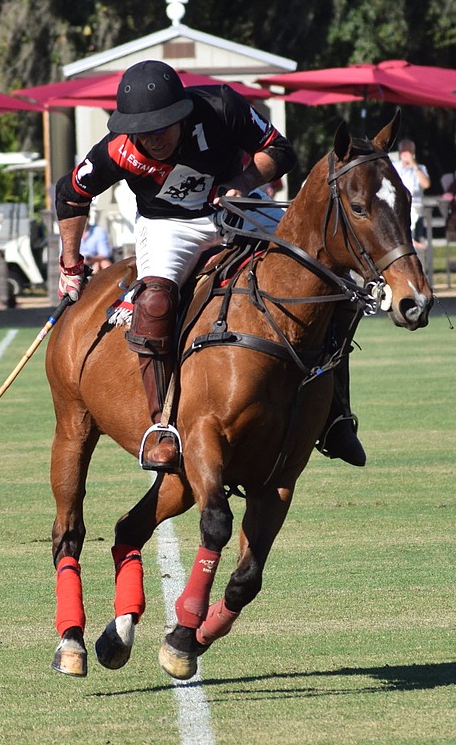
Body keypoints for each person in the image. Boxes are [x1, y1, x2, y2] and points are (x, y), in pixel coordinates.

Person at [55, 60, 315, 471]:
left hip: (237, 206)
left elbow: (279, 150)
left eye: (162, 127)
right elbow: (70, 193)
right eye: (144, 131)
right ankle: (162, 428)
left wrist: (243, 184)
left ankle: (335, 412)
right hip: (168, 226)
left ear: (182, 114)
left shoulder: (220, 106)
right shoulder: (117, 148)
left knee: (315, 270)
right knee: (154, 302)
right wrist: (70, 263)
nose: (153, 139)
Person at [395, 139, 431, 246]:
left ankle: (413, 240)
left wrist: (414, 165)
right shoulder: (393, 167)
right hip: (398, 204)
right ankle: (410, 241)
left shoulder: (420, 168)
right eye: (403, 150)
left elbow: (426, 184)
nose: (406, 154)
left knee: (414, 214)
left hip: (416, 204)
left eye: (408, 151)